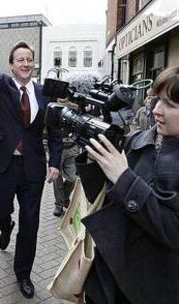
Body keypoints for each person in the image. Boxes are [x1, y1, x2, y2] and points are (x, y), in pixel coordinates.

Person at [0, 12, 63, 299]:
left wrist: (55, 162)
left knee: (31, 223)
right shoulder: (2, 86)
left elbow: (54, 131)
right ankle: (5, 226)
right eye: (20, 59)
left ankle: (23, 274)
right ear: (11, 64)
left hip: (33, 168)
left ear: (34, 63)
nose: (25, 63)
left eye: (29, 59)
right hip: (4, 166)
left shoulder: (45, 93)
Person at [81, 65, 179, 304]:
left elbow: (173, 231)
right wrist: (95, 161)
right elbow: (101, 200)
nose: (156, 110)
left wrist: (124, 179)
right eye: (157, 100)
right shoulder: (136, 140)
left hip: (151, 287)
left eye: (170, 105)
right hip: (108, 276)